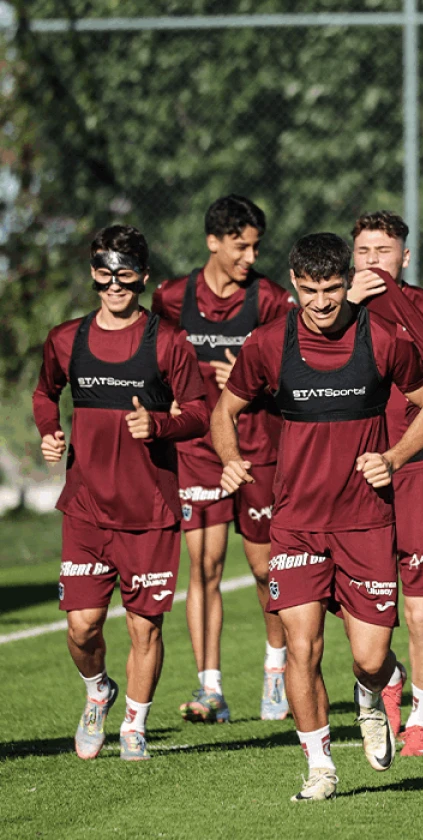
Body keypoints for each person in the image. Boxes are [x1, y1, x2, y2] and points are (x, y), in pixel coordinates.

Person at [211, 233, 423, 802]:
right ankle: (319, 765)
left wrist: (393, 458)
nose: (321, 302)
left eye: (332, 289)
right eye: (310, 290)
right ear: (294, 284)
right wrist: (230, 459)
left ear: (348, 282)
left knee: (368, 657)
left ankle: (373, 692)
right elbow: (225, 410)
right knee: (302, 647)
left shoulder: (383, 339)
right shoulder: (269, 344)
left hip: (366, 523)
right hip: (294, 524)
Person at [34, 225, 208, 761]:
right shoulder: (66, 339)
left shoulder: (169, 342)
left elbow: (200, 411)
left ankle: (134, 724)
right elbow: (45, 393)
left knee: (144, 627)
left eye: (125, 275)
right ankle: (98, 691)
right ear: (93, 273)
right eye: (105, 273)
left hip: (151, 512)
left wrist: (159, 427)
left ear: (143, 277)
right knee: (83, 627)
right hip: (85, 509)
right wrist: (49, 431)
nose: (114, 285)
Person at [153, 195, 296, 723]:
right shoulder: (170, 297)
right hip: (197, 448)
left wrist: (250, 376)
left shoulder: (272, 300)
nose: (250, 257)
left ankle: (276, 668)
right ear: (213, 242)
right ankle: (210, 690)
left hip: (258, 447)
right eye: (241, 246)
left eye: (256, 246)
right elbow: (154, 359)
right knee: (204, 566)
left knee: (264, 570)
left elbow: (298, 370)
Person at [346, 210, 423, 756]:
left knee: (421, 608)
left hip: (419, 468)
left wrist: (394, 306)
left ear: (405, 258)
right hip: (352, 472)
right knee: (362, 609)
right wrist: (349, 305)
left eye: (384, 252)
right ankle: (385, 675)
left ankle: (421, 718)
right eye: (365, 252)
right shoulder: (330, 313)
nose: (374, 262)